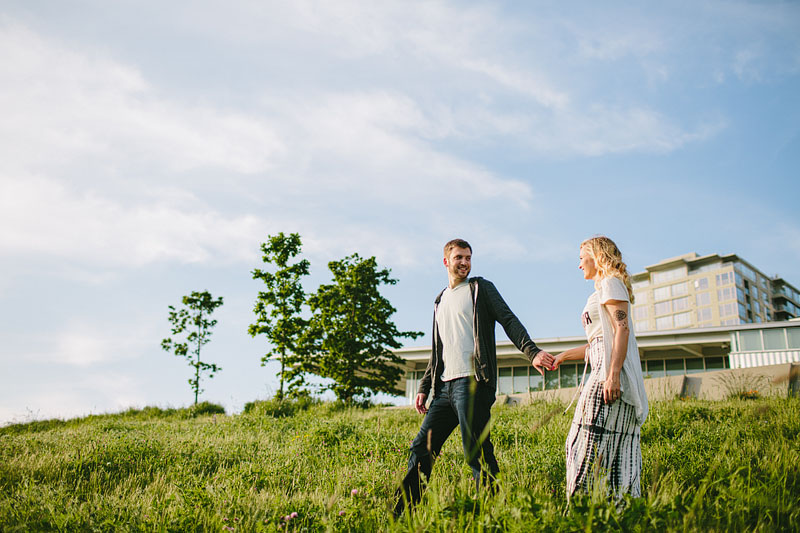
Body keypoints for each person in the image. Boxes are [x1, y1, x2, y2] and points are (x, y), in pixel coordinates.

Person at [394, 238, 554, 516]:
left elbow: (509, 319)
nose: (464, 262)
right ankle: (401, 515)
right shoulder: (440, 301)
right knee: (421, 448)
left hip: (473, 383)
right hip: (444, 389)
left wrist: (532, 352)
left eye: (468, 257)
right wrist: (424, 386)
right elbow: (438, 350)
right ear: (446, 261)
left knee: (476, 452)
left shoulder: (480, 289)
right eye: (459, 257)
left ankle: (491, 513)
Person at [551, 236, 648, 499]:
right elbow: (598, 341)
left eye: (582, 257)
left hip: (608, 373)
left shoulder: (610, 282)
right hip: (603, 368)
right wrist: (563, 356)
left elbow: (621, 329)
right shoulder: (602, 289)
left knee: (583, 443)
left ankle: (582, 506)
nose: (579, 264)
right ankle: (615, 510)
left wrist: (613, 375)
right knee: (611, 447)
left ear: (596, 256)